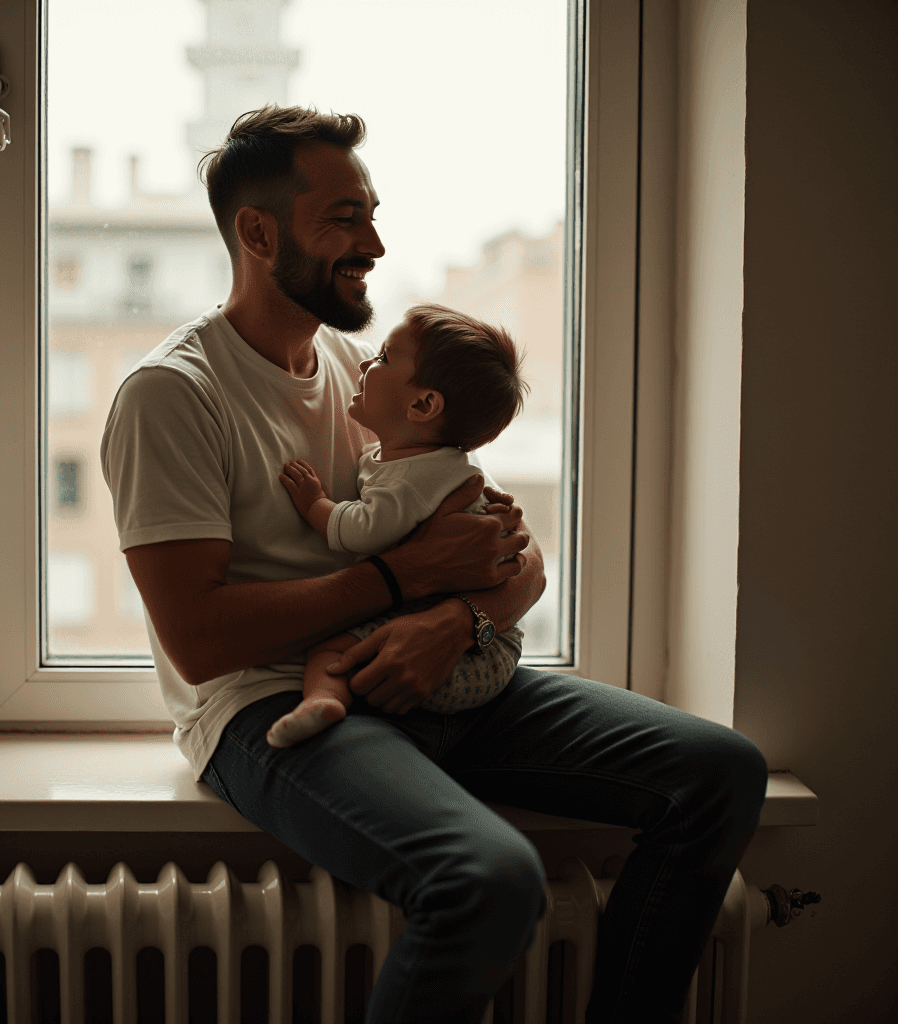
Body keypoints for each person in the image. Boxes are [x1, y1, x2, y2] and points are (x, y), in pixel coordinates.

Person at [101, 104, 767, 1024]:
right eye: (344, 217)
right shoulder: (173, 394)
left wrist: (455, 620)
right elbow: (199, 642)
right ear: (257, 233)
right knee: (489, 881)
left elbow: (521, 567)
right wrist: (402, 581)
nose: (373, 241)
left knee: (722, 771)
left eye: (372, 212)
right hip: (275, 704)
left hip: (436, 672)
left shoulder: (362, 373)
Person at [266, 303, 529, 749]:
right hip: (491, 642)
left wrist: (316, 504)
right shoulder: (437, 463)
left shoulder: (413, 479)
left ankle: (323, 701)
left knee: (330, 652)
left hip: (467, 659)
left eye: (384, 358)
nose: (367, 363)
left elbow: (363, 530)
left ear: (424, 405)